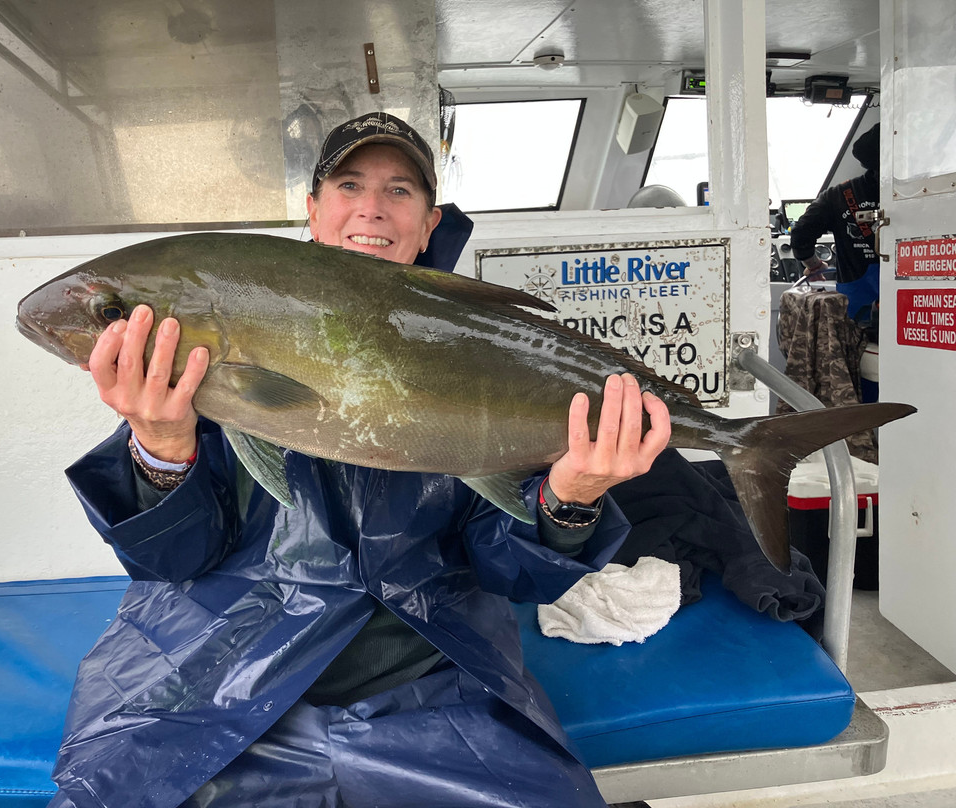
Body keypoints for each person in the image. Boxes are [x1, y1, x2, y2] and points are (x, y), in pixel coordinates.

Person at [48, 112, 672, 808]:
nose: (372, 207)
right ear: (314, 209)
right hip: (221, 684)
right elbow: (175, 561)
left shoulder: (479, 347)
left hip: (434, 685)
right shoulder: (225, 320)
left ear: (429, 222)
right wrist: (161, 449)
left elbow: (514, 572)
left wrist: (571, 498)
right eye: (349, 184)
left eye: (399, 190)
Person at [790, 122, 882, 325]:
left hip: (859, 321)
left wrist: (814, 266)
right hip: (920, 316)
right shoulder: (927, 196)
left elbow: (800, 237)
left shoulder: (838, 196)